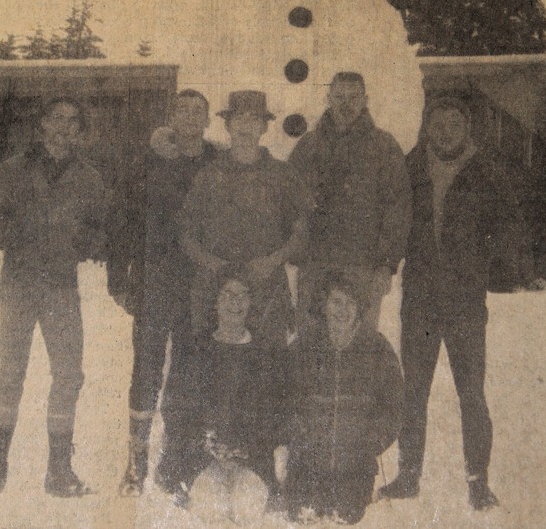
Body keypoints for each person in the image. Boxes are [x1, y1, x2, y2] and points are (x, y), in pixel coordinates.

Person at [378, 96, 525, 510]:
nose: (445, 133)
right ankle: (408, 476)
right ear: (427, 128)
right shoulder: (410, 168)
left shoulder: (485, 172)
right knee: (414, 393)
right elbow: (391, 216)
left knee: (471, 394)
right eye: (438, 125)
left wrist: (489, 265)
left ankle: (478, 482)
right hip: (421, 300)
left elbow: (509, 224)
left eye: (454, 126)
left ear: (467, 130)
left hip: (464, 302)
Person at [0, 97, 107, 497]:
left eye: (72, 121)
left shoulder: (88, 177)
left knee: (68, 375)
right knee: (11, 374)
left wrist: (79, 242)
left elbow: (101, 227)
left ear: (80, 131)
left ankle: (60, 469)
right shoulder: (13, 170)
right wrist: (18, 235)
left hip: (62, 288)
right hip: (19, 286)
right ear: (43, 124)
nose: (63, 127)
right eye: (57, 119)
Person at [106, 89, 219, 497]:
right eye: (182, 110)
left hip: (199, 286)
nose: (190, 117)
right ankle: (136, 462)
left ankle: (177, 456)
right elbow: (122, 220)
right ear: (171, 116)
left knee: (189, 371)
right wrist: (118, 277)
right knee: (147, 369)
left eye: (198, 111)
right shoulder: (147, 162)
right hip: (155, 281)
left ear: (207, 121)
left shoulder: (215, 162)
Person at [179, 90, 313, 348]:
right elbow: (186, 233)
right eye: (239, 119)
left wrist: (272, 261)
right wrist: (215, 265)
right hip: (215, 291)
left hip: (266, 290)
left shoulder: (282, 175)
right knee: (214, 372)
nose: (246, 127)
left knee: (267, 373)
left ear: (264, 126)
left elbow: (301, 232)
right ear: (228, 124)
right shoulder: (209, 175)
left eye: (254, 120)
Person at [158, 269, 286, 524]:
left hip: (252, 462)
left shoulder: (265, 354)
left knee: (245, 509)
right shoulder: (194, 350)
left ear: (251, 302)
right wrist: (208, 445)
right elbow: (176, 411)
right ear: (215, 301)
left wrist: (245, 449)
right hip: (202, 460)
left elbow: (276, 415)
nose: (235, 303)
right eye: (227, 295)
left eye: (242, 296)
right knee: (212, 511)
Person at [289, 71, 412, 327]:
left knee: (359, 345)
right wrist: (296, 254)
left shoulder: (383, 147)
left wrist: (386, 265)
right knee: (312, 341)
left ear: (366, 100)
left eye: (354, 97)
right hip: (317, 265)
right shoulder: (308, 146)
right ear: (328, 98)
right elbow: (292, 203)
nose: (346, 104)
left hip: (362, 267)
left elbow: (397, 209)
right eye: (339, 97)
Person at [284, 270, 404, 525]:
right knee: (305, 519)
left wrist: (371, 441)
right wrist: (297, 432)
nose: (343, 310)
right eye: (336, 302)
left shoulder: (377, 349)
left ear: (360, 309)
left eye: (351, 303)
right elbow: (280, 400)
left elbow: (395, 407)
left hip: (354, 472)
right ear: (323, 305)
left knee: (344, 520)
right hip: (306, 469)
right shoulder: (303, 348)